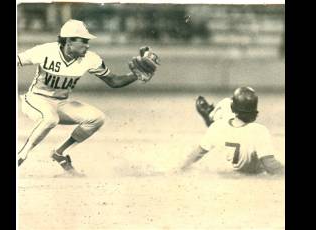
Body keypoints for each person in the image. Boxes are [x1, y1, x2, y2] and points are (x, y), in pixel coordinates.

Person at [17, 19, 159, 176]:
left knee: (97, 118)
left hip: (61, 103)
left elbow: (114, 81)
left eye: (88, 41)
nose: (87, 45)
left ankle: (60, 153)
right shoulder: (45, 51)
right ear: (69, 41)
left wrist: (135, 76)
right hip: (36, 99)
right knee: (50, 118)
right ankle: (21, 155)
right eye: (83, 41)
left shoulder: (90, 59)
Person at [180, 86, 284, 175]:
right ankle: (211, 114)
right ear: (255, 112)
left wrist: (179, 169)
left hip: (227, 175)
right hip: (252, 177)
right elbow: (270, 165)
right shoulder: (259, 131)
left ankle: (211, 115)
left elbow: (197, 153)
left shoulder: (217, 126)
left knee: (224, 108)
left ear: (233, 109)